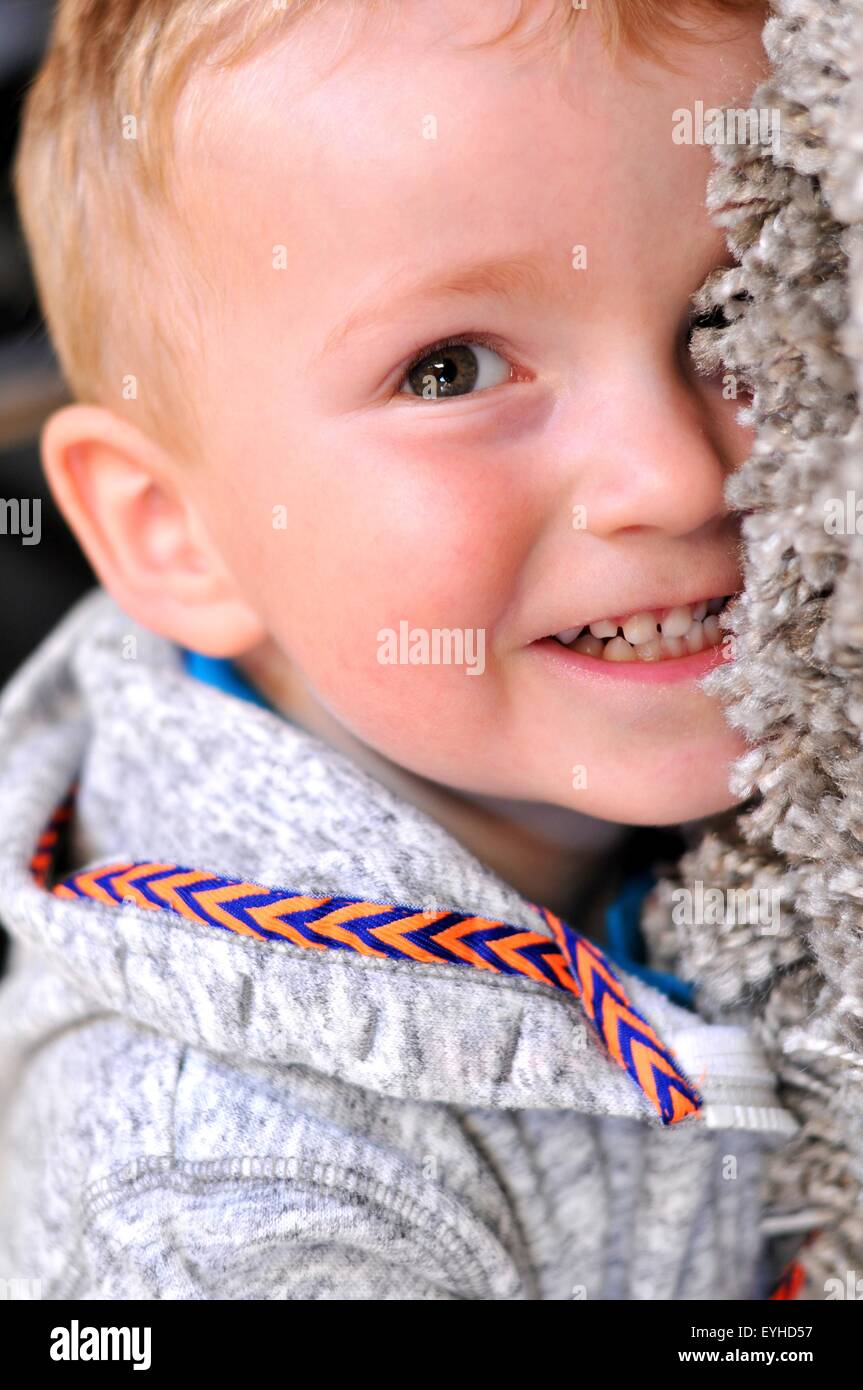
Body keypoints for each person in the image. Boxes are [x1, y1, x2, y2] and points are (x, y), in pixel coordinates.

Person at [0, 0, 835, 1299]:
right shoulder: (227, 1207)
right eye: (451, 370)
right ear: (176, 533)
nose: (672, 475)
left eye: (734, 310)